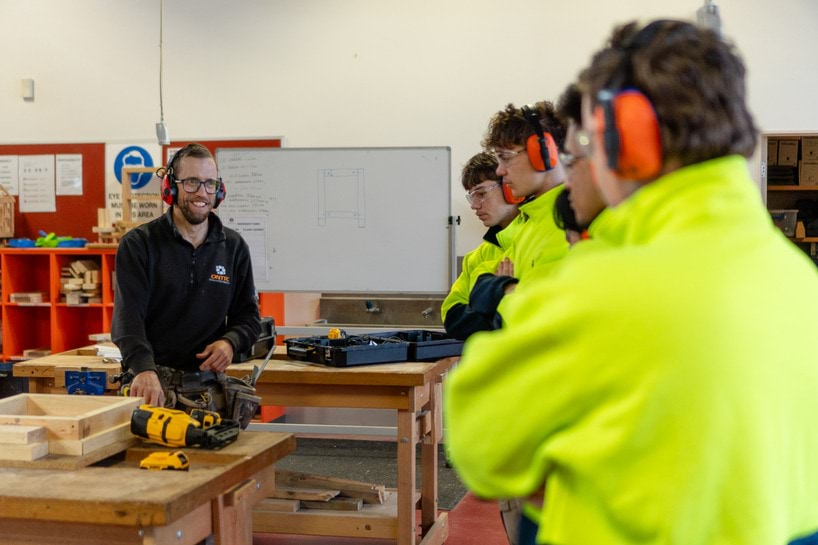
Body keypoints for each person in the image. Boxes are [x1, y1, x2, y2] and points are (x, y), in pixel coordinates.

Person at [445, 19, 818, 545]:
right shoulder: (800, 280)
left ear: (629, 138)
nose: (577, 173)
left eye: (581, 153)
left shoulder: (598, 289)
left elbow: (481, 446)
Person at [111, 143, 262, 425]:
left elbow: (249, 318)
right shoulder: (139, 245)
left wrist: (229, 343)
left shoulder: (233, 247)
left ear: (219, 190)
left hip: (208, 391)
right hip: (152, 385)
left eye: (210, 183)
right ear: (171, 187)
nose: (202, 193)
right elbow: (127, 321)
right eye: (191, 182)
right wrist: (143, 370)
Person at [442, 152, 521, 341]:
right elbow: (452, 319)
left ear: (509, 188)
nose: (474, 205)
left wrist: (481, 307)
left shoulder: (534, 244)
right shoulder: (476, 258)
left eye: (482, 193)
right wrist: (498, 296)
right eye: (472, 196)